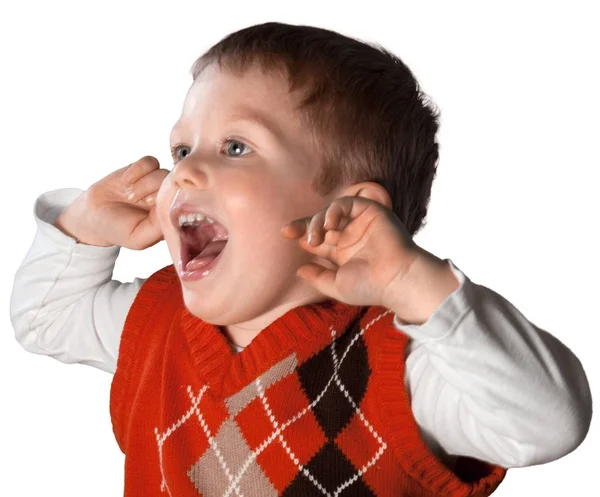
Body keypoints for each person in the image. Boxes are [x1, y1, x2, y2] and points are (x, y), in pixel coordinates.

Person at [10, 22, 592, 497]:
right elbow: (44, 318)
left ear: (346, 211)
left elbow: (546, 426)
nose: (182, 170)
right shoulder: (157, 322)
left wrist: (418, 284)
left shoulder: (403, 366)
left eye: (236, 147)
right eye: (182, 148)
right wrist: (83, 226)